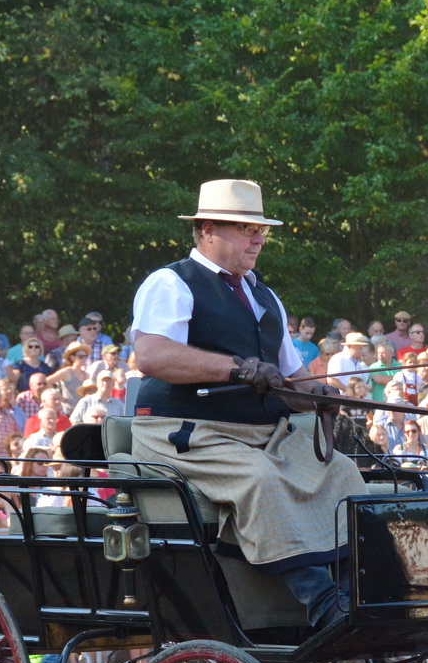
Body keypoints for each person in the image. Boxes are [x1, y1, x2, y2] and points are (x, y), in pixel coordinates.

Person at [127, 178, 363, 633]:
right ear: (208, 229)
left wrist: (319, 396)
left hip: (261, 436)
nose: (258, 238)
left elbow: (293, 377)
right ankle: (323, 604)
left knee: (343, 472)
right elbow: (152, 355)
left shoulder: (264, 295)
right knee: (260, 479)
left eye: (261, 230)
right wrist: (236, 368)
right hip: (185, 432)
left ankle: (357, 597)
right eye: (245, 228)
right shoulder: (171, 282)